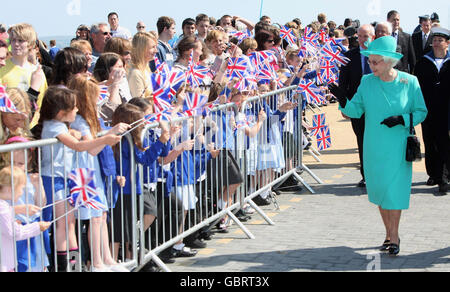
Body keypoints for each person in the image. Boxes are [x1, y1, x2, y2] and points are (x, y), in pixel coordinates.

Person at [330, 36, 428, 256]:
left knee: (395, 191)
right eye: (371, 61)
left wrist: (402, 119)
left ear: (389, 62)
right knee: (381, 191)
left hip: (398, 145)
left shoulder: (409, 82)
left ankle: (394, 236)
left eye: (376, 62)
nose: (371, 66)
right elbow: (354, 111)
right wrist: (343, 100)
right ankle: (388, 233)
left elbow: (422, 111)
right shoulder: (366, 82)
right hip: (374, 145)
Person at [36, 86, 122, 271]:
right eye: (73, 107)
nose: (77, 110)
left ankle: (74, 265)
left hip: (67, 177)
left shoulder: (61, 126)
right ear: (61, 112)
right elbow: (77, 146)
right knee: (63, 224)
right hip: (55, 178)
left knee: (71, 222)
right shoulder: (53, 126)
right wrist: (104, 140)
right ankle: (65, 266)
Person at [67, 74, 130, 272]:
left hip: (93, 170)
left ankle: (107, 259)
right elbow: (91, 148)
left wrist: (109, 133)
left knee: (101, 215)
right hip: (83, 173)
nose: (97, 98)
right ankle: (97, 262)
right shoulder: (78, 120)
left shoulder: (89, 116)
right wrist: (111, 134)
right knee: (94, 217)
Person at [111, 103, 172, 262]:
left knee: (128, 229)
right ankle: (118, 261)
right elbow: (145, 159)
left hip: (132, 188)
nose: (145, 123)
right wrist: (160, 141)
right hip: (122, 190)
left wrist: (164, 139)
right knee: (119, 231)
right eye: (140, 120)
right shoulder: (125, 140)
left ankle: (130, 261)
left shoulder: (131, 138)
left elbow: (153, 155)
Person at [0, 136, 50, 272]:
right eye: (13, 162)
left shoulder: (32, 178)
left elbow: (41, 204)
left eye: (20, 163)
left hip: (32, 228)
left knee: (36, 265)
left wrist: (38, 185)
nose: (16, 167)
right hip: (14, 231)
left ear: (28, 160)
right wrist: (18, 210)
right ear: (5, 159)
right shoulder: (4, 180)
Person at [338, 24, 375, 188]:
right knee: (362, 140)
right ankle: (366, 175)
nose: (362, 40)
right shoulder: (349, 56)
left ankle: (379, 173)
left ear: (373, 37)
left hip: (377, 105)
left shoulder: (379, 56)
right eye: (359, 36)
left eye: (365, 36)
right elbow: (342, 83)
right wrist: (344, 106)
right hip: (357, 106)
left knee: (377, 140)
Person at [414, 27, 450, 194]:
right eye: (434, 40)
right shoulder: (423, 62)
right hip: (428, 109)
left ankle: (444, 177)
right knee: (430, 141)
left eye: (440, 41)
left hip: (447, 110)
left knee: (445, 142)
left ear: (447, 43)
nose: (436, 43)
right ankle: (433, 174)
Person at [0, 23, 47, 125]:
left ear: (30, 44)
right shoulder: (2, 68)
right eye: (13, 40)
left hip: (31, 130)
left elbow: (41, 104)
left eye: (20, 41)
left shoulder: (38, 72)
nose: (16, 44)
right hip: (7, 128)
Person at [128, 32, 158, 98]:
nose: (156, 51)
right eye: (153, 47)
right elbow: (139, 104)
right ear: (142, 49)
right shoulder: (136, 73)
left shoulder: (145, 69)